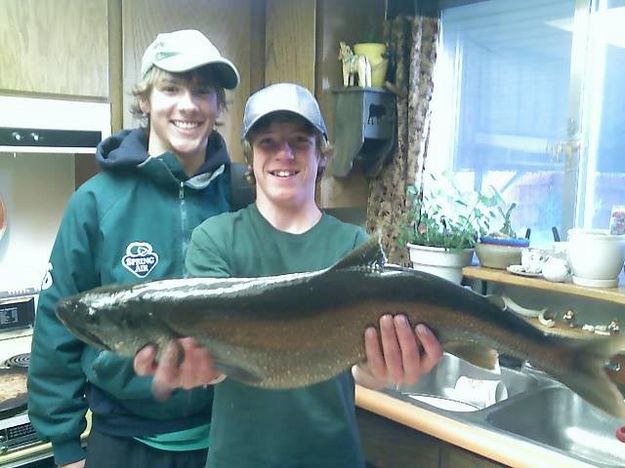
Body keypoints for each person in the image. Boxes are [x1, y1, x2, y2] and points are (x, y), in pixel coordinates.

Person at [135, 82, 443, 467]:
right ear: (250, 158)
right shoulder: (216, 239)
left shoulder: (353, 247)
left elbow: (364, 373)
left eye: (300, 140)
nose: (285, 153)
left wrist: (386, 368)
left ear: (321, 154)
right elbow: (215, 364)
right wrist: (198, 366)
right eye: (267, 142)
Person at [27, 29, 242, 468]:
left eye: (203, 91)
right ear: (145, 99)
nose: (187, 104)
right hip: (123, 444)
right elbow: (56, 323)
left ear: (219, 106)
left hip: (229, 440)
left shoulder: (242, 196)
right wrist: (66, 446)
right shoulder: (95, 201)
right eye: (171, 88)